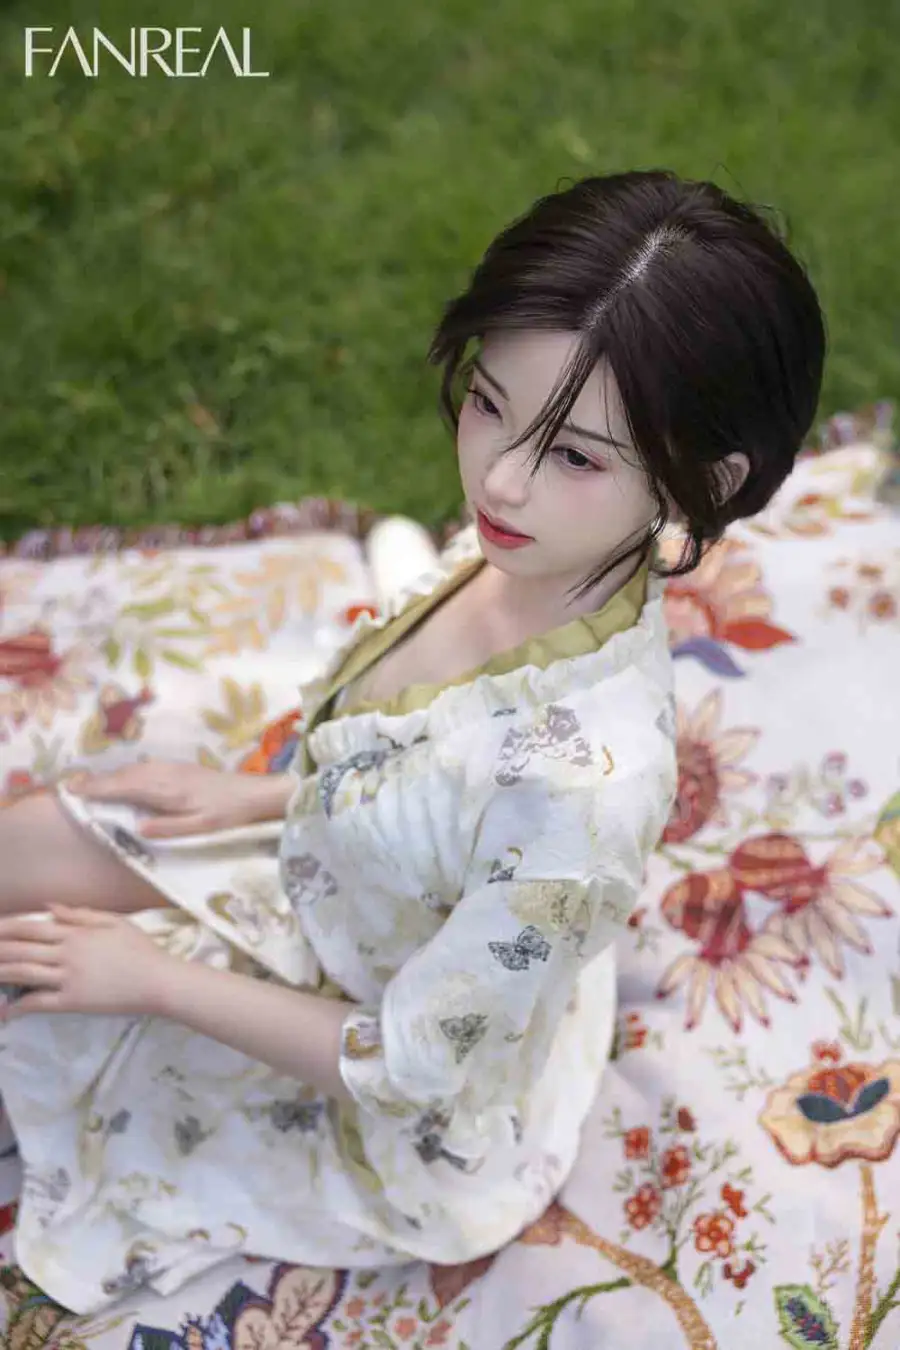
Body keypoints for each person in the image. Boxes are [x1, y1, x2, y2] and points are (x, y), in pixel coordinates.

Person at [0, 169, 825, 1313]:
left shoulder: (578, 797)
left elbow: (417, 1066)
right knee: (32, 846)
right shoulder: (529, 551)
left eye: (577, 456)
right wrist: (255, 798)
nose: (500, 478)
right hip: (337, 877)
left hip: (392, 1079)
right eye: (487, 401)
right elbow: (417, 759)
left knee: (54, 1028)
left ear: (704, 482)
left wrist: (157, 981)